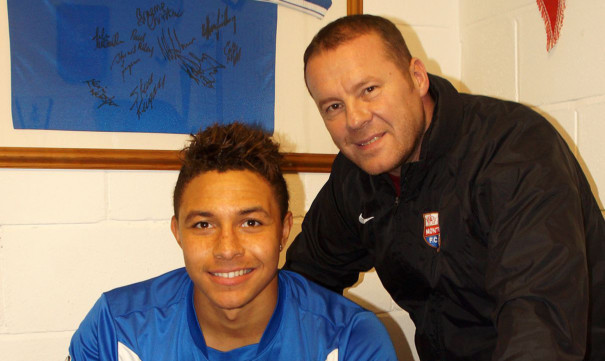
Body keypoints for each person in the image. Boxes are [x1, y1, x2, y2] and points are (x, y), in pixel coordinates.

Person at [284, 14, 605, 361]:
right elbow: (304, 286)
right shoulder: (354, 176)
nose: (355, 119)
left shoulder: (515, 150)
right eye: (333, 106)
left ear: (417, 77)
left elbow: (540, 331)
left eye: (369, 90)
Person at [68, 123, 398, 361]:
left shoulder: (350, 340)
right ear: (178, 234)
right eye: (203, 224)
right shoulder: (116, 330)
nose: (227, 248)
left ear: (284, 231)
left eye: (251, 222)